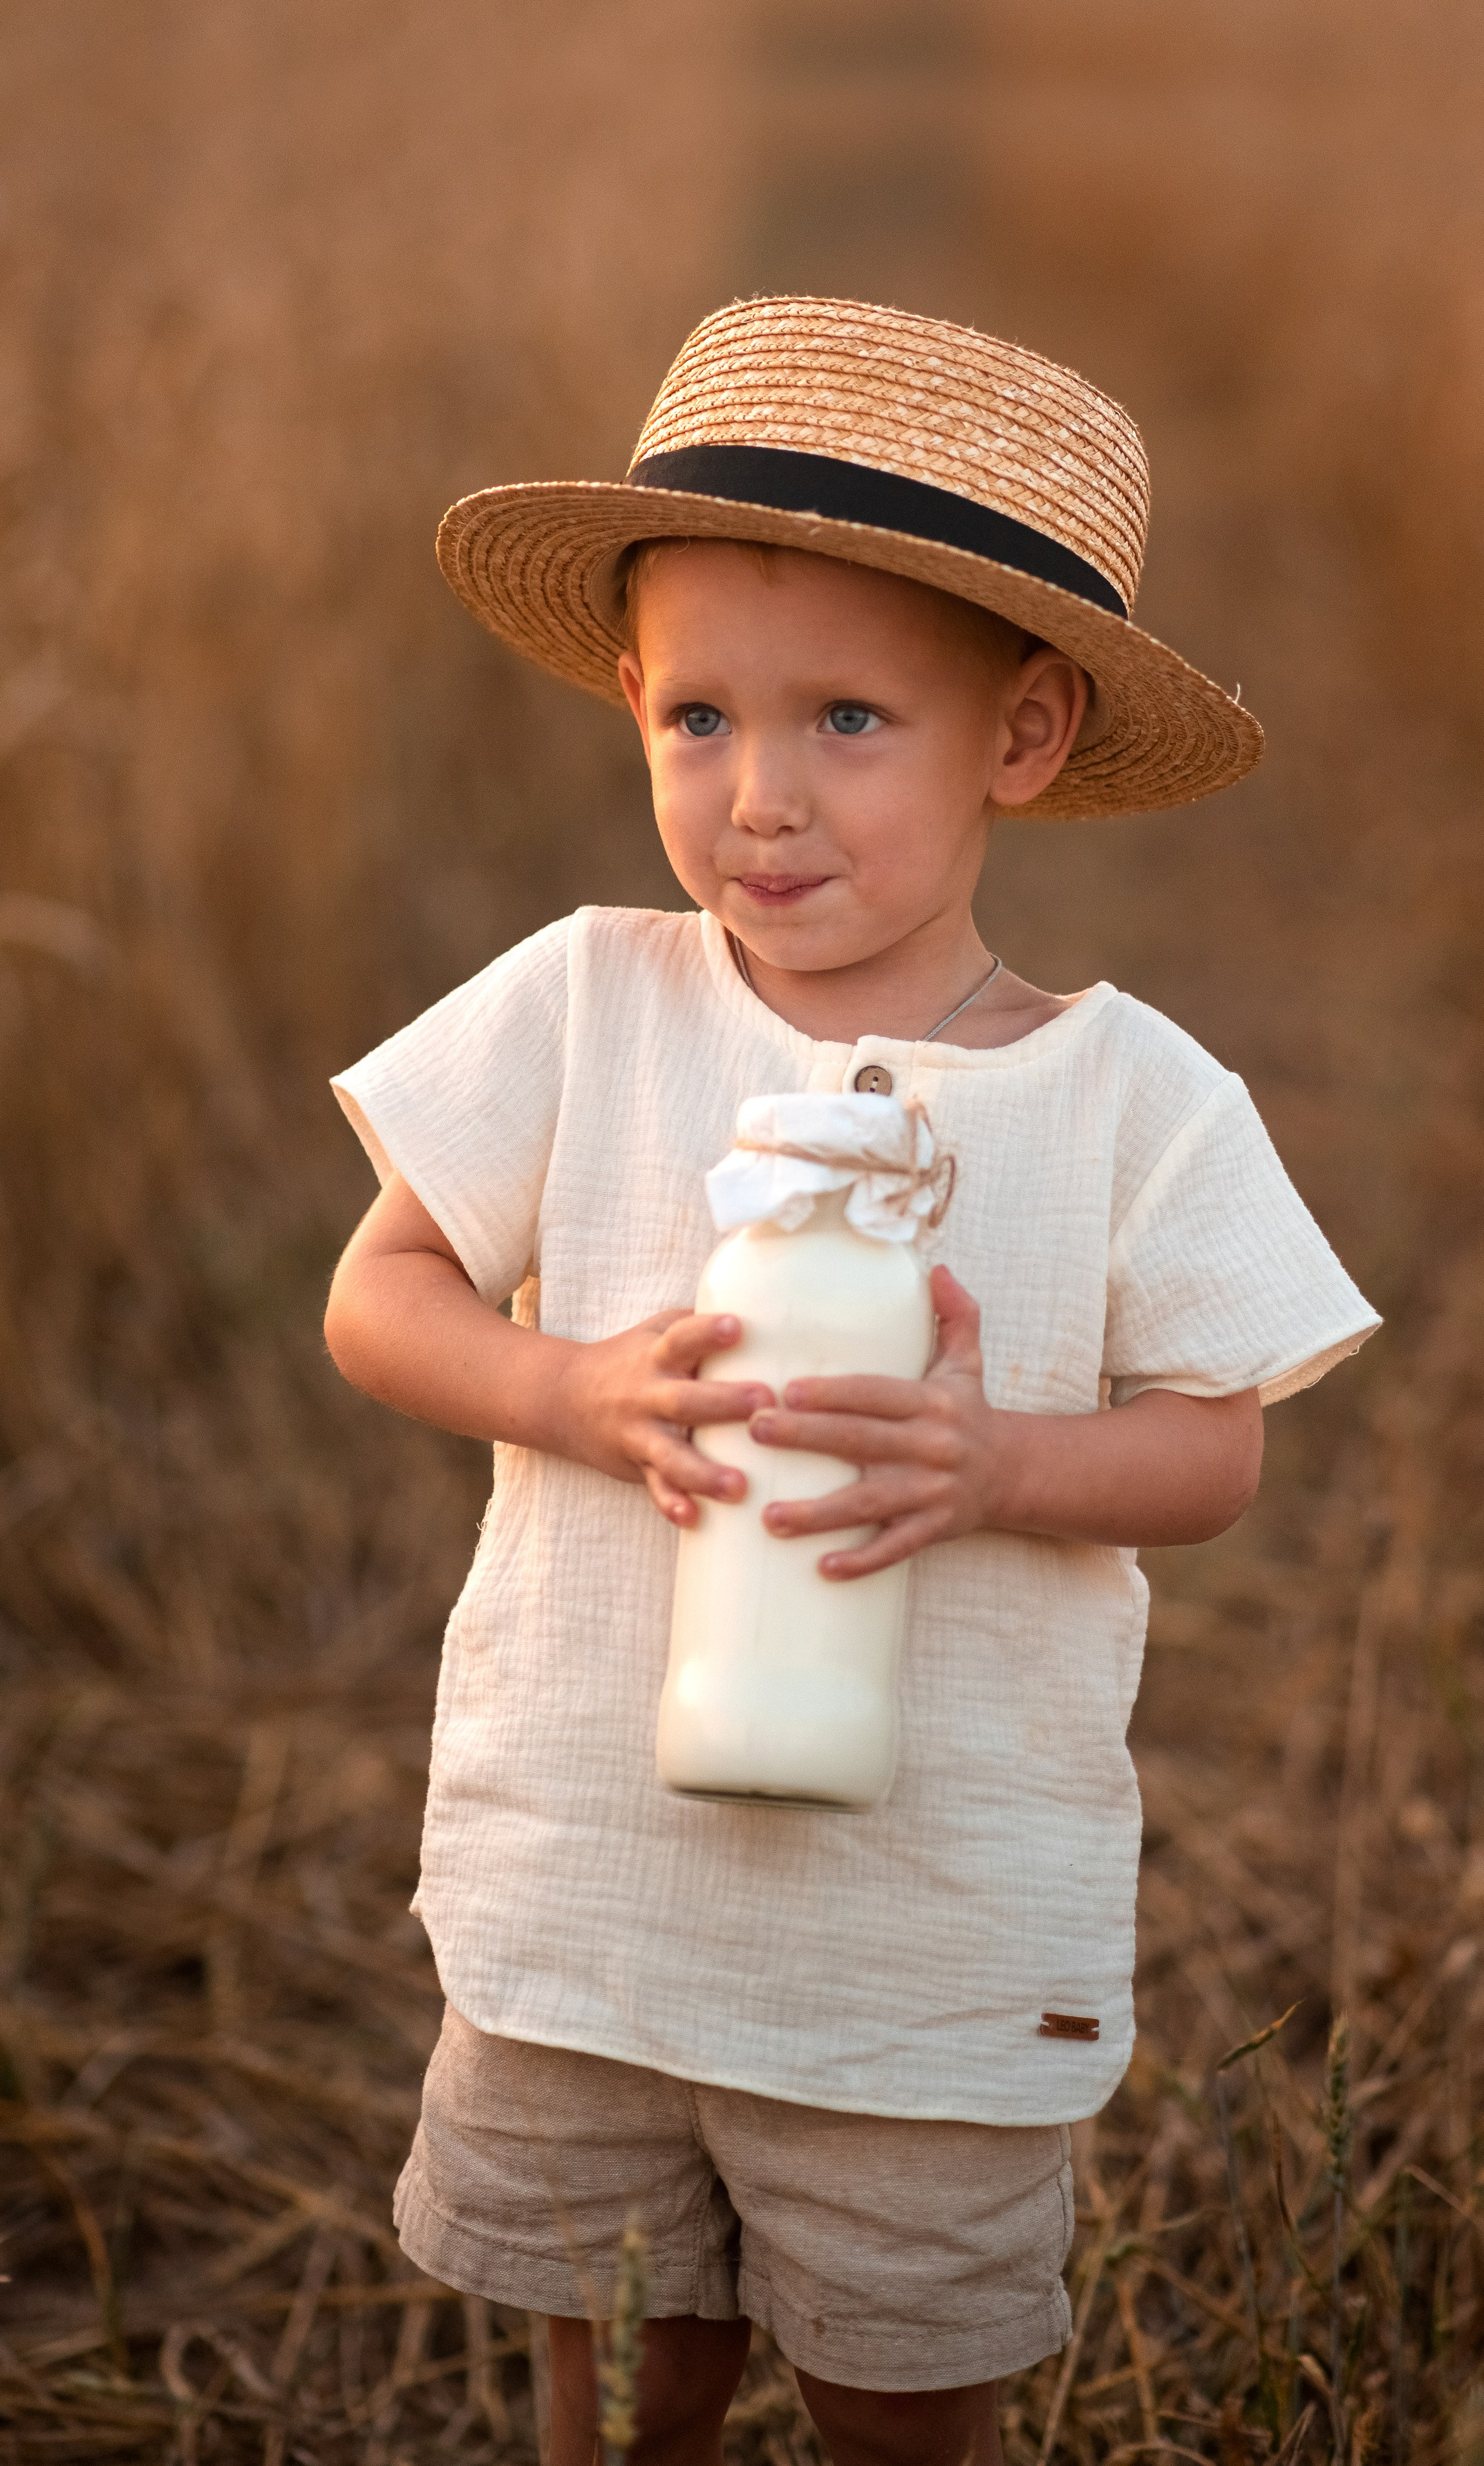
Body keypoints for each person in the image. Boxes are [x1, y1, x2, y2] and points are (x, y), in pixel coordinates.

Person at [323, 296, 1378, 2464]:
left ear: (1025, 738)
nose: (760, 797)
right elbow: (381, 1297)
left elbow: (1218, 1451)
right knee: (611, 2375)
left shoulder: (1128, 1098)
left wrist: (998, 1462)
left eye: (848, 724)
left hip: (924, 1935)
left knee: (904, 2363)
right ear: (626, 695)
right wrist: (579, 1392)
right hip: (595, 1885)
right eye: (698, 715)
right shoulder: (589, 1005)